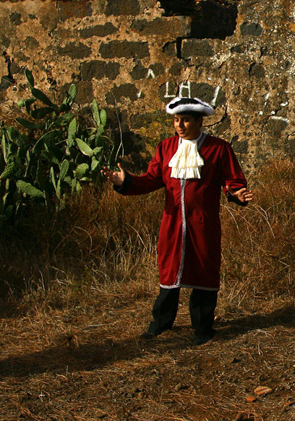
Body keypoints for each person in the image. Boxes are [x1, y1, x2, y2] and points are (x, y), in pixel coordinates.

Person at [102, 97, 253, 346]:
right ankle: (161, 324)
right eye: (176, 120)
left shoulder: (218, 148)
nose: (179, 125)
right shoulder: (166, 148)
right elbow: (151, 179)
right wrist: (125, 181)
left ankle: (203, 328)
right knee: (169, 272)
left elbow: (232, 180)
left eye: (185, 120)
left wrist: (237, 193)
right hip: (172, 223)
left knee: (204, 272)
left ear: (199, 121)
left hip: (203, 223)